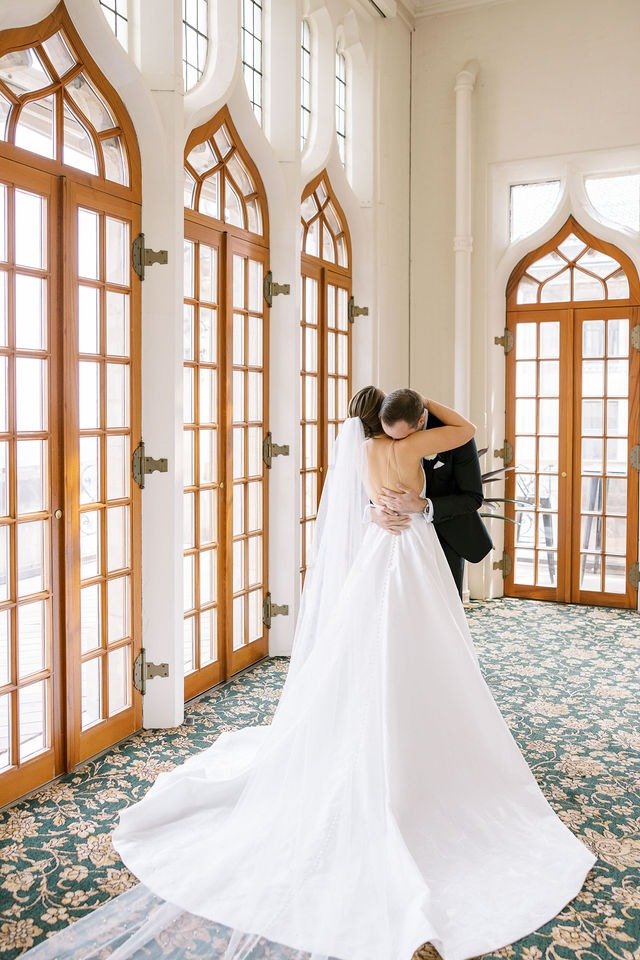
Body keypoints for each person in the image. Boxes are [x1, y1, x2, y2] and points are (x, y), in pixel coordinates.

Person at [24, 388, 596, 960]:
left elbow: (401, 489)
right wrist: (427, 418)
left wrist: (387, 498)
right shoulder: (421, 439)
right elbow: (466, 428)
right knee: (423, 631)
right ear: (414, 419)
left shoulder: (367, 447)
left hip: (381, 542)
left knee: (370, 631)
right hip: (412, 546)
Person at [368, 387, 492, 598]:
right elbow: (368, 479)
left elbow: (473, 498)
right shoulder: (382, 433)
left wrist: (423, 505)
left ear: (419, 421)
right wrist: (373, 512)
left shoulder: (454, 435)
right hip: (397, 535)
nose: (398, 443)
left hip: (446, 537)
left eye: (404, 437)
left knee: (443, 612)